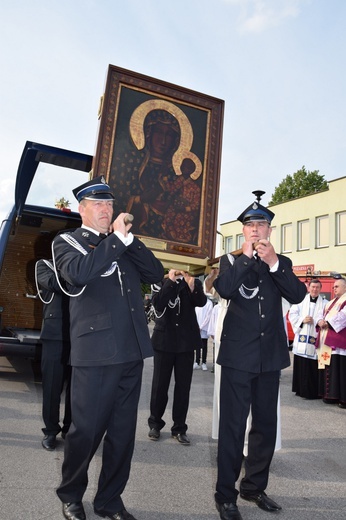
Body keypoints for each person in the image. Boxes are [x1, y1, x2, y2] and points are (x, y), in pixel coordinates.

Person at [51, 175, 164, 520]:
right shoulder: (66, 242)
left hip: (131, 350)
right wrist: (115, 240)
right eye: (98, 204)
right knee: (85, 432)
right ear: (82, 209)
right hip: (95, 353)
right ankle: (71, 495)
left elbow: (156, 272)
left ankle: (109, 501)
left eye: (110, 204)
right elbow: (79, 274)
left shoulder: (123, 242)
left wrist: (130, 239)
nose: (106, 210)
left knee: (121, 435)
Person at [213, 191, 306, 520]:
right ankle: (225, 495)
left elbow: (298, 294)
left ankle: (254, 487)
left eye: (261, 224)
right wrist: (247, 259)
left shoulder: (282, 262)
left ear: (269, 230)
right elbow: (225, 289)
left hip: (270, 357)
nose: (255, 230)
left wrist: (273, 263)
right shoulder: (229, 260)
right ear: (243, 232)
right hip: (238, 358)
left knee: (265, 426)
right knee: (233, 428)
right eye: (250, 225)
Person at [147, 269, 207, 445]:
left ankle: (179, 428)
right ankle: (155, 424)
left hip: (186, 343)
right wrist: (171, 282)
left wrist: (192, 286)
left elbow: (201, 302)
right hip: (164, 341)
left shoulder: (193, 282)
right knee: (159, 386)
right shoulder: (161, 280)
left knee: (183, 388)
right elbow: (158, 304)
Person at [35, 258, 72, 451]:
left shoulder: (82, 265)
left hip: (79, 335)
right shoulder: (44, 265)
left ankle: (69, 428)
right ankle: (50, 431)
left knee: (77, 389)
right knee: (52, 387)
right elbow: (54, 284)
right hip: (54, 334)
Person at [289, 279, 327, 399]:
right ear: (309, 288)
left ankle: (313, 392)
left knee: (313, 367)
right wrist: (302, 320)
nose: (315, 289)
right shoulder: (300, 300)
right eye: (313, 287)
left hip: (315, 339)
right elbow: (292, 314)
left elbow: (326, 318)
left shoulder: (326, 303)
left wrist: (316, 321)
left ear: (320, 289)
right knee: (301, 364)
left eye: (317, 287)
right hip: (302, 338)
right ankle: (300, 389)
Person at [316, 277, 346, 408]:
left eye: (337, 286)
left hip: (340, 341)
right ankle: (330, 396)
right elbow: (321, 315)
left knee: (340, 370)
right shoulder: (330, 303)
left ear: (345, 287)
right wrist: (320, 321)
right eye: (333, 286)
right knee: (330, 367)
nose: (334, 288)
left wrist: (328, 323)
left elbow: (343, 316)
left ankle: (342, 398)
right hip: (327, 340)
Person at [194, 297, 213, 370]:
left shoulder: (209, 303)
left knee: (204, 345)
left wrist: (201, 327)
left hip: (204, 328)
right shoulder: (197, 301)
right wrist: (196, 326)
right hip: (197, 327)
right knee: (197, 345)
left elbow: (208, 316)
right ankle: (197, 361)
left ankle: (204, 362)